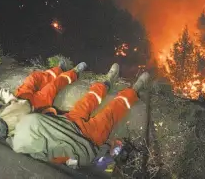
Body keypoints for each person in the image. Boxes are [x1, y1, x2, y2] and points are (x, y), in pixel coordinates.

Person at [8, 63, 152, 169]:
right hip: (87, 138)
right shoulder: (40, 153)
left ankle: (107, 82)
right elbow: (80, 159)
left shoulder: (23, 134)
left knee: (89, 100)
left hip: (68, 122)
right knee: (112, 112)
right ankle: (135, 90)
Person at [0, 60, 88, 139]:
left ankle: (58, 69)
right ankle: (74, 72)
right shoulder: (5, 130)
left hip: (20, 97)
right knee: (54, 86)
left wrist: (11, 98)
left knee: (33, 78)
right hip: (35, 105)